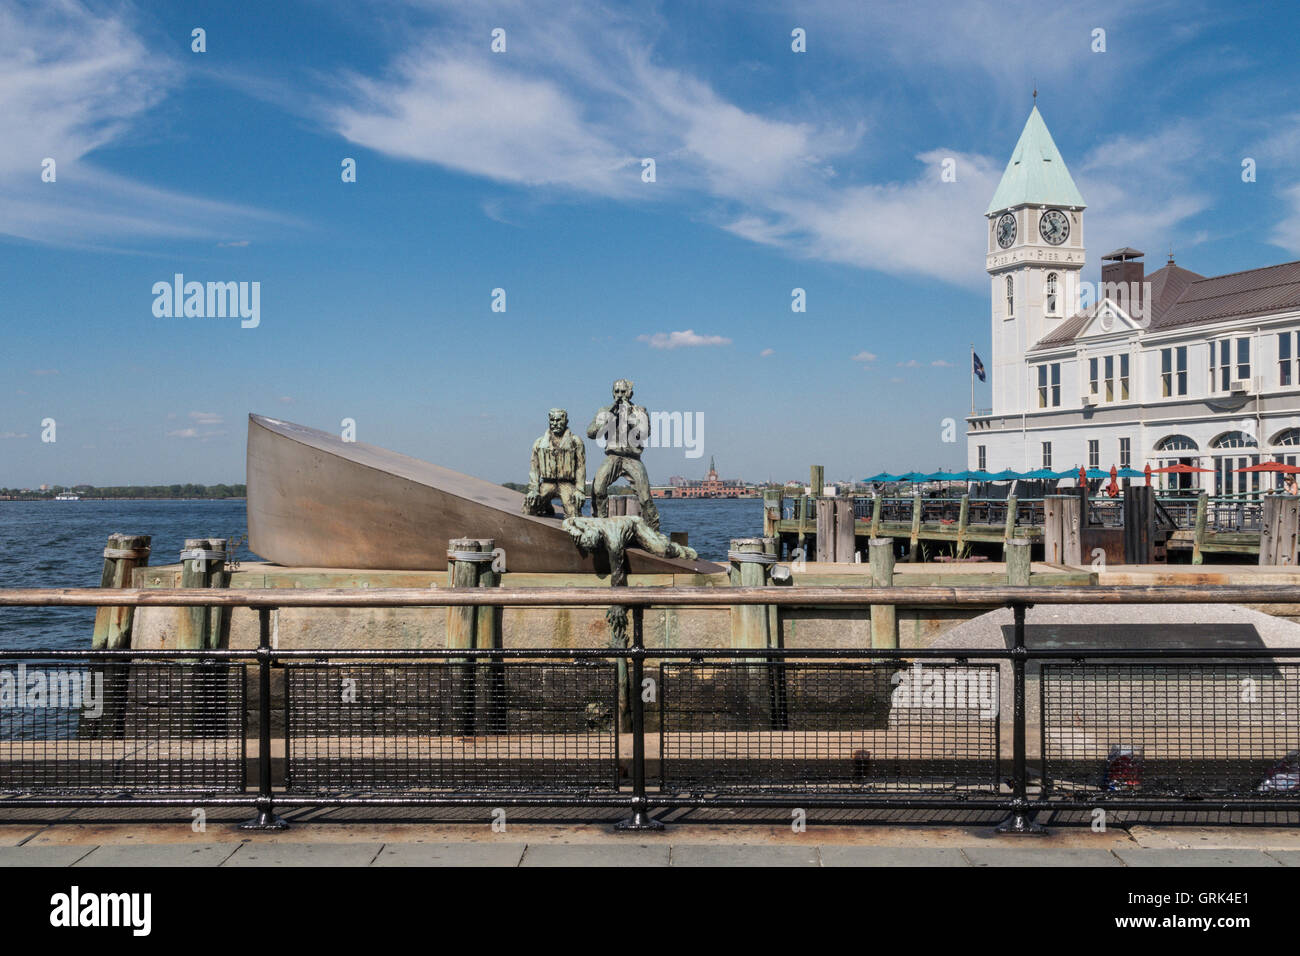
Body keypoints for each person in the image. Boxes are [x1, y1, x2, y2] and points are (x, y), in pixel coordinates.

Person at [586, 379, 661, 530]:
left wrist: (629, 415)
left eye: (623, 392)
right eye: (617, 392)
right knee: (598, 488)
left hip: (632, 458)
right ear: (613, 393)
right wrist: (607, 418)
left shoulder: (639, 411)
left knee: (645, 497)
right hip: (613, 456)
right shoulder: (605, 410)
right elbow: (591, 433)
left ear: (630, 393)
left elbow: (645, 433)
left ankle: (653, 529)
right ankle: (600, 522)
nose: (620, 395)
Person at [524, 408, 586, 518]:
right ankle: (546, 504)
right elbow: (534, 468)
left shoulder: (576, 441)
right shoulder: (539, 443)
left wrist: (580, 490)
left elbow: (580, 467)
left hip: (567, 484)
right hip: (547, 483)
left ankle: (548, 504)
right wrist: (533, 490)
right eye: (552, 420)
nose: (555, 423)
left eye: (558, 420)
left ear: (566, 421)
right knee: (530, 508)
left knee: (574, 514)